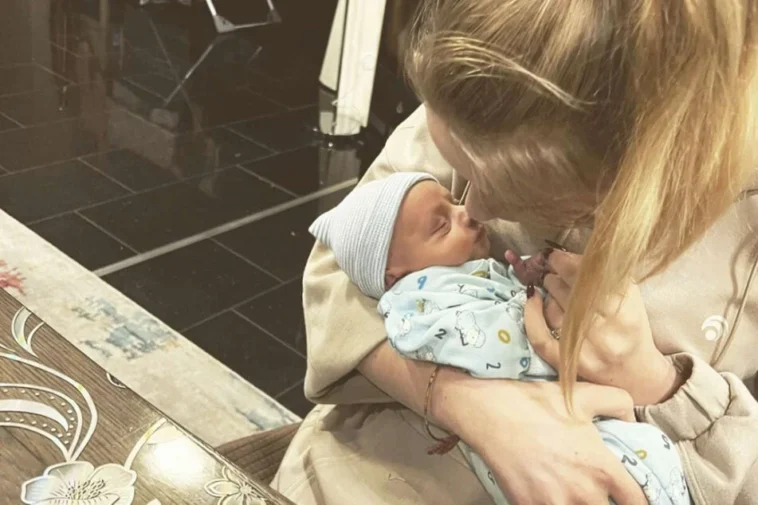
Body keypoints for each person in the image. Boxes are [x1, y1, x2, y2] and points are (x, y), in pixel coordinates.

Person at [269, 1, 758, 504]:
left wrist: (657, 383)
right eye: (464, 170)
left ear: (638, 178)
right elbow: (338, 269)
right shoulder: (497, 70)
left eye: (523, 194)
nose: (473, 207)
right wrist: (470, 404)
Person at [307, 171, 692, 505]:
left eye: (453, 201)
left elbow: (495, 293)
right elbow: (484, 345)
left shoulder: (462, 270)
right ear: (395, 275)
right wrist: (538, 322)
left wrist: (526, 277)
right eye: (442, 226)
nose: (469, 211)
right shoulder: (416, 300)